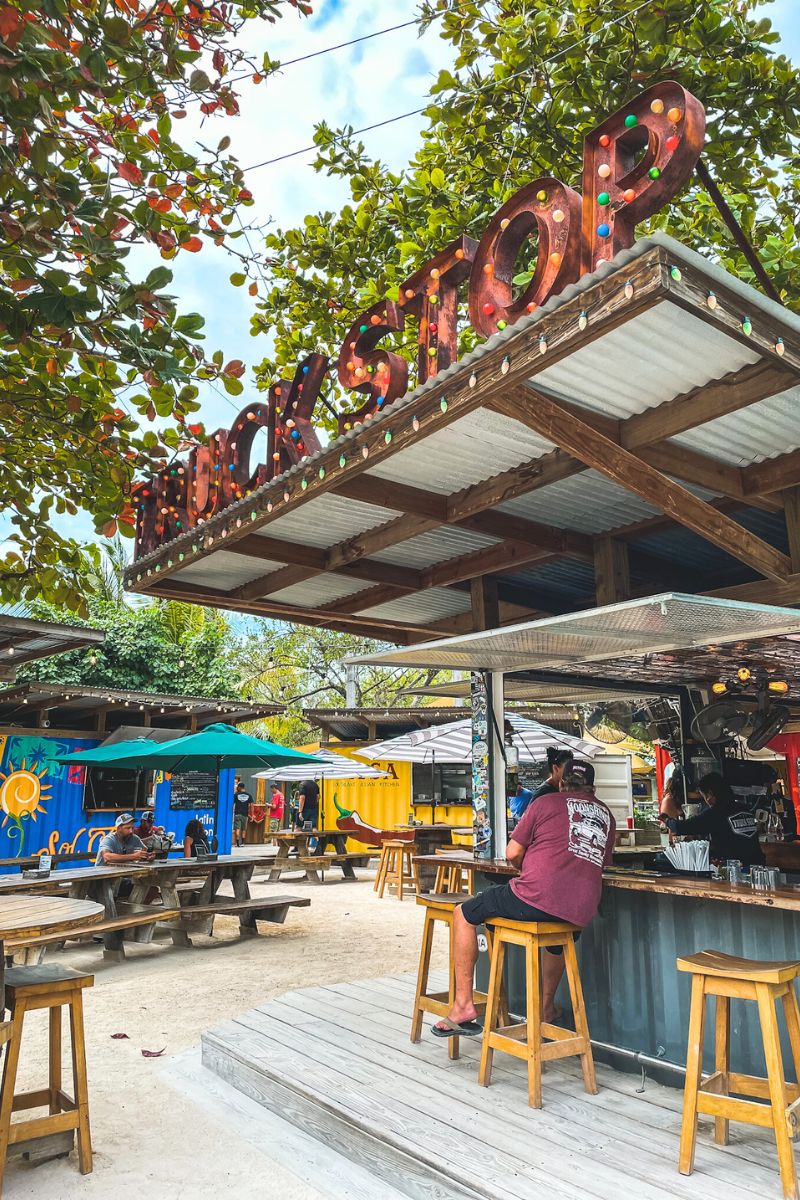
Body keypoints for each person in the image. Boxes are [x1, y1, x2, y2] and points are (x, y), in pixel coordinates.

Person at [433, 762, 615, 1037]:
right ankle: (545, 1008)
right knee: (555, 938)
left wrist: (528, 867)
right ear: (594, 789)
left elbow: (512, 852)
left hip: (536, 895)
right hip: (579, 910)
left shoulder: (545, 803)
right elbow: (601, 862)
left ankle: (463, 1006)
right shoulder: (606, 815)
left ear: (561, 783)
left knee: (464, 913)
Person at [665, 771, 764, 867]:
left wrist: (666, 820)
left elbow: (682, 827)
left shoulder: (716, 813)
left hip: (736, 869)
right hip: (758, 865)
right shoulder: (745, 809)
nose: (706, 800)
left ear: (710, 794)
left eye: (704, 796)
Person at [232, 775, 252, 849]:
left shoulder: (236, 795)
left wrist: (232, 811)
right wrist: (251, 815)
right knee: (244, 829)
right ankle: (243, 842)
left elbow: (233, 804)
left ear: (240, 787)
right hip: (245, 814)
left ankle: (237, 843)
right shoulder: (249, 795)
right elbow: (251, 805)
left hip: (237, 813)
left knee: (237, 828)